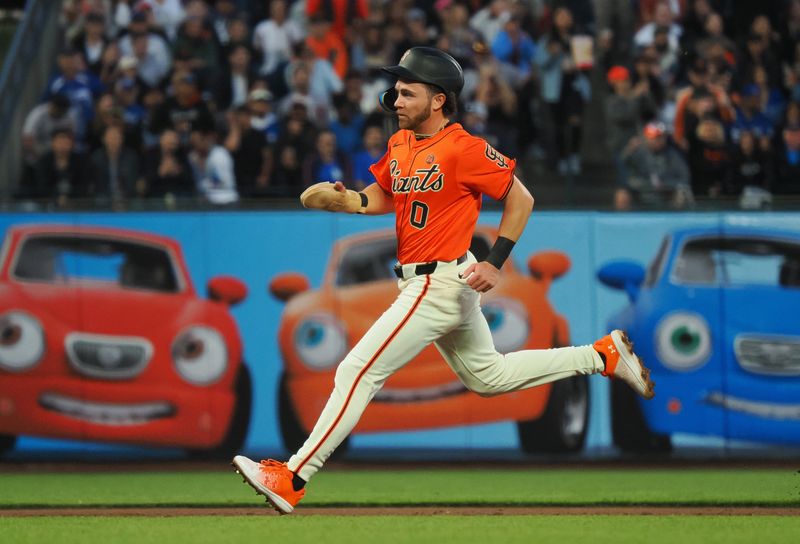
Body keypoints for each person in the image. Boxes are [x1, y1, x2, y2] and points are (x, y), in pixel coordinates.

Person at [232, 46, 656, 514]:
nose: (395, 100)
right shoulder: (400, 143)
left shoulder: (464, 147)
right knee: (488, 377)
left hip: (437, 284)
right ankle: (601, 355)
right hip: (427, 281)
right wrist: (351, 200)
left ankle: (293, 476)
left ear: (438, 100)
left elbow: (522, 199)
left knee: (357, 371)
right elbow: (386, 194)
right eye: (395, 91)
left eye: (407, 92)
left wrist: (495, 260)